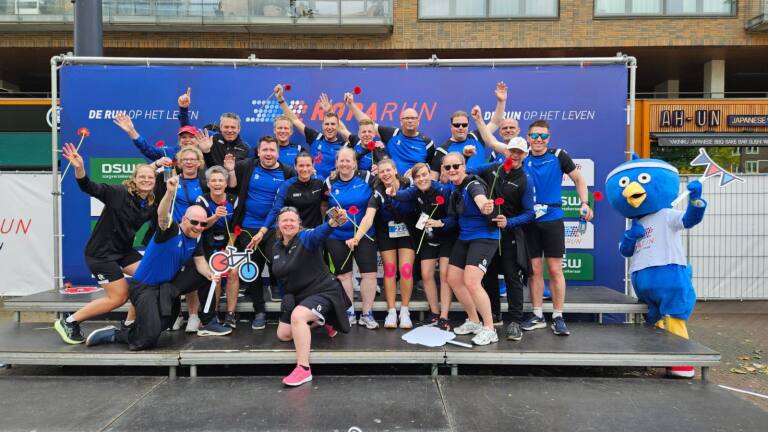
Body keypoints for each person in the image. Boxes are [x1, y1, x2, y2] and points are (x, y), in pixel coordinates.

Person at [85, 176, 219, 351]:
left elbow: (200, 262)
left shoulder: (197, 236)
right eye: (194, 222)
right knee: (148, 338)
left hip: (167, 286)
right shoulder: (170, 230)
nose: (199, 226)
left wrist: (210, 274)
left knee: (206, 275)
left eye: (203, 223)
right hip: (144, 288)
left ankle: (209, 322)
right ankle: (116, 334)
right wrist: (170, 193)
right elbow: (162, 215)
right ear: (184, 219)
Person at [54, 143, 156, 344]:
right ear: (134, 179)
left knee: (149, 277)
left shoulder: (150, 203)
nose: (146, 180)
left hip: (123, 251)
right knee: (118, 297)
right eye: (142, 176)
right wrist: (79, 168)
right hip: (101, 254)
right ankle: (70, 320)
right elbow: (89, 187)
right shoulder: (118, 193)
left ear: (155, 181)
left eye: (150, 177)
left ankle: (128, 325)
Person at [519, 120, 593, 336]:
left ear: (549, 138)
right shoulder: (522, 158)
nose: (539, 140)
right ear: (528, 137)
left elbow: (579, 179)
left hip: (553, 218)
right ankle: (538, 315)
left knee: (554, 269)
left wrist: (584, 203)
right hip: (530, 219)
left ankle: (558, 316)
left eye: (543, 136)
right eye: (535, 135)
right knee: (534, 270)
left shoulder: (559, 155)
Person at [470, 107, 535, 341]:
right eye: (512, 151)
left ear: (525, 155)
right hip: (488, 234)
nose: (515, 155)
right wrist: (457, 171)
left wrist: (509, 222)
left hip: (509, 235)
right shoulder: (494, 168)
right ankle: (494, 315)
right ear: (506, 151)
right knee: (487, 277)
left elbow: (530, 213)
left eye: (519, 152)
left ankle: (515, 321)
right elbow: (471, 171)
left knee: (511, 276)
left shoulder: (525, 180)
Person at [273, 206, 352, 387]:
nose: (288, 223)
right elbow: (281, 274)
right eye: (284, 220)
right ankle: (324, 321)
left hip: (324, 291)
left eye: (292, 220)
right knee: (284, 335)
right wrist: (287, 297)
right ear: (278, 224)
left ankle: (303, 369)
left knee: (298, 316)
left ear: (299, 223)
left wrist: (332, 222)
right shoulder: (276, 246)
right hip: (300, 295)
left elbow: (320, 232)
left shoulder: (305, 238)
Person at [230, 135, 296, 330]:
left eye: (272, 150)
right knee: (252, 271)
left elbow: (305, 182)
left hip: (276, 230)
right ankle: (259, 311)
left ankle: (287, 311)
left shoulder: (287, 171)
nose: (268, 153)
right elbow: (226, 182)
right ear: (258, 152)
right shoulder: (246, 167)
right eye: (264, 150)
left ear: (278, 152)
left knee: (282, 268)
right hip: (248, 227)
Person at [442, 152, 499, 345]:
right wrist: (438, 223)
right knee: (453, 278)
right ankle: (474, 320)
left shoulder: (473, 184)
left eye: (456, 166)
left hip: (484, 237)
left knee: (472, 281)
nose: (452, 170)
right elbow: (452, 219)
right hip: (465, 237)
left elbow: (481, 200)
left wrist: (485, 207)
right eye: (448, 167)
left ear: (464, 166)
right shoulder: (453, 188)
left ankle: (490, 328)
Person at [390, 162, 456, 330]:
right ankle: (434, 314)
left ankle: (444, 317)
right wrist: (393, 194)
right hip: (429, 237)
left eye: (424, 175)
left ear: (430, 175)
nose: (421, 179)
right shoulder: (415, 190)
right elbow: (403, 195)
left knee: (444, 275)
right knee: (426, 275)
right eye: (417, 176)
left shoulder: (444, 190)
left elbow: (455, 218)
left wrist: (440, 222)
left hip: (447, 236)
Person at [355, 158, 416, 329]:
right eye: (382, 172)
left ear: (395, 170)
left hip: (407, 231)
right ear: (379, 175)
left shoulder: (408, 185)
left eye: (388, 170)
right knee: (389, 270)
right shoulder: (377, 193)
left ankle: (404, 311)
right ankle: (391, 311)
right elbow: (368, 217)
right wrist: (357, 237)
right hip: (386, 232)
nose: (386, 174)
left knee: (405, 269)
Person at [322, 147, 379, 329]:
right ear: (336, 163)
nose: (345, 164)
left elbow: (376, 204)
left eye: (348, 160)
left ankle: (367, 314)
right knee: (344, 275)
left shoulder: (368, 178)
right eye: (341, 161)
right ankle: (349, 312)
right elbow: (324, 208)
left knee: (368, 275)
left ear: (355, 163)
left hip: (364, 236)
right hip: (336, 237)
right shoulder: (329, 183)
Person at [195, 165, 240, 332]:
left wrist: (230, 245)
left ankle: (230, 314)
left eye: (220, 180)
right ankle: (213, 314)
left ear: (226, 183)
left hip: (229, 242)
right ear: (208, 183)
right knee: (215, 276)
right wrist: (215, 216)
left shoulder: (234, 200)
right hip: (207, 243)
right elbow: (200, 226)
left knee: (233, 272)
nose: (217, 183)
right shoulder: (202, 200)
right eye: (213, 180)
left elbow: (237, 226)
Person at [345, 92, 434, 176]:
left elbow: (432, 170)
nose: (410, 121)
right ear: (401, 121)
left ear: (418, 121)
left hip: (415, 186)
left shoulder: (427, 143)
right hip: (391, 182)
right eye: (406, 118)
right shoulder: (392, 134)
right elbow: (368, 124)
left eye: (413, 118)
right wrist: (351, 104)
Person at [431, 82, 508, 178]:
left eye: (464, 125)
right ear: (451, 126)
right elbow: (433, 179)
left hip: (482, 187)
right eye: (457, 125)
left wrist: (501, 101)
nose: (460, 127)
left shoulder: (477, 137)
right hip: (458, 190)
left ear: (468, 126)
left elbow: (495, 122)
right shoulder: (442, 151)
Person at [276, 84, 349, 179]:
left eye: (333, 124)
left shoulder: (344, 146)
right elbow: (294, 120)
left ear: (337, 127)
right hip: (312, 186)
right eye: (327, 124)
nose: (329, 127)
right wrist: (281, 100)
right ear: (322, 126)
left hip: (332, 188)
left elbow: (345, 132)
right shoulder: (315, 137)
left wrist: (330, 111)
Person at [264, 151, 325, 230]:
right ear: (295, 167)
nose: (305, 169)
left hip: (315, 232)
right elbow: (276, 210)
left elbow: (328, 202)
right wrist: (263, 230)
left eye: (308, 165)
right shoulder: (286, 186)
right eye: (301, 166)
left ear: (313, 166)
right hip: (294, 233)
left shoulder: (320, 182)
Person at [113, 111, 200, 163]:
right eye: (184, 137)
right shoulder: (169, 153)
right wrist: (132, 131)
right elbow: (147, 149)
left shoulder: (206, 153)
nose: (187, 140)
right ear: (179, 140)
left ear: (198, 139)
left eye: (191, 137)